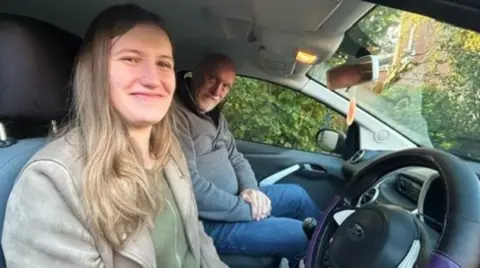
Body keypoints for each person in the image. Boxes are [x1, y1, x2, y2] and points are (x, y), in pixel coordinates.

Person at [1, 4, 227, 268]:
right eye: (131, 59)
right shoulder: (52, 181)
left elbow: (195, 237)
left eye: (164, 63)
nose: (153, 79)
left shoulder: (168, 150)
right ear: (95, 72)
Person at [174, 53, 322, 267]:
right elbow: (190, 186)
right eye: (212, 78)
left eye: (226, 86)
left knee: (297, 196)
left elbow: (236, 156)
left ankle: (327, 250)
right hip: (209, 222)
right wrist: (245, 210)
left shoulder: (215, 115)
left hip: (235, 201)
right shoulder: (176, 116)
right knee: (299, 235)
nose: (217, 91)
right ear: (196, 73)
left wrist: (251, 190)